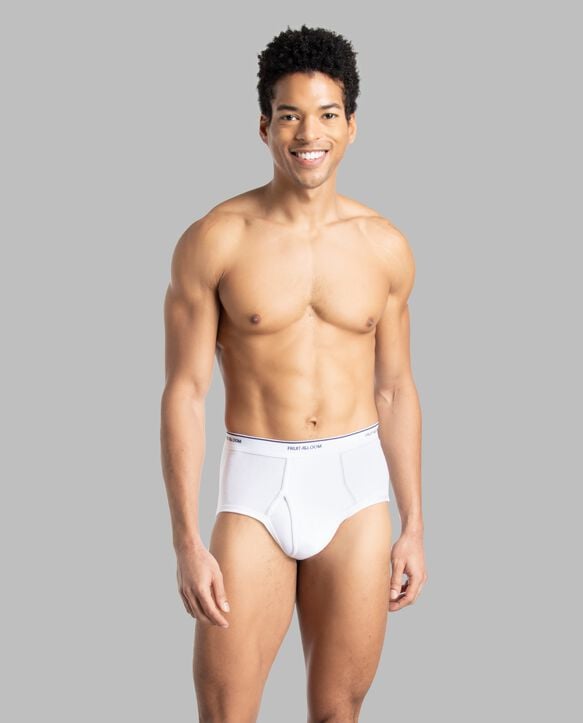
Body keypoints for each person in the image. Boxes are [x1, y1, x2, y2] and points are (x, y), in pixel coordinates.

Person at [160, 24, 427, 723]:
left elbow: (394, 388)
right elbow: (185, 392)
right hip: (258, 483)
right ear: (264, 127)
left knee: (339, 711)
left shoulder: (384, 246)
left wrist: (414, 523)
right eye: (289, 116)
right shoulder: (216, 239)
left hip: (355, 488)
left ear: (351, 126)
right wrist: (186, 539)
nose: (309, 134)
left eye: (327, 114)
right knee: (225, 712)